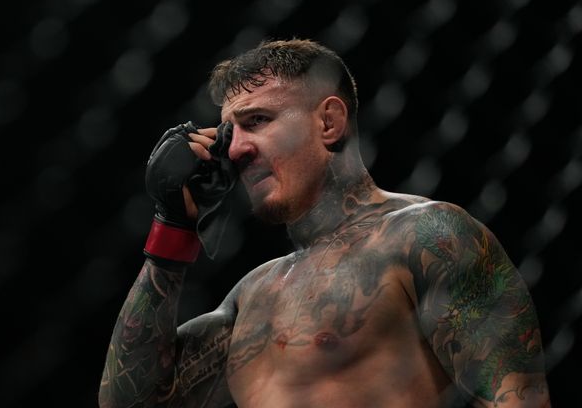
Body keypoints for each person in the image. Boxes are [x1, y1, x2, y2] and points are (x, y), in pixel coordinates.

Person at [98, 38, 551, 407]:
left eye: (258, 120)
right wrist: (172, 228)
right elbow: (131, 402)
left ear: (329, 122)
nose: (235, 150)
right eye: (230, 132)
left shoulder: (427, 236)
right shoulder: (251, 297)